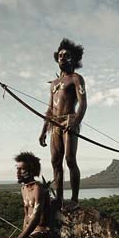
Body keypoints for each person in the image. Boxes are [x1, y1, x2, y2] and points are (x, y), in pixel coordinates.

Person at [39, 38, 87, 212]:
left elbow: (83, 102)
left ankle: (74, 200)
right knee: (55, 162)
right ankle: (59, 200)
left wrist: (75, 121)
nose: (62, 58)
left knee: (69, 159)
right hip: (55, 125)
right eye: (60, 55)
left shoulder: (76, 79)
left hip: (69, 121)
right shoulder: (53, 84)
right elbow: (50, 109)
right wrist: (44, 130)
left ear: (73, 59)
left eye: (67, 55)